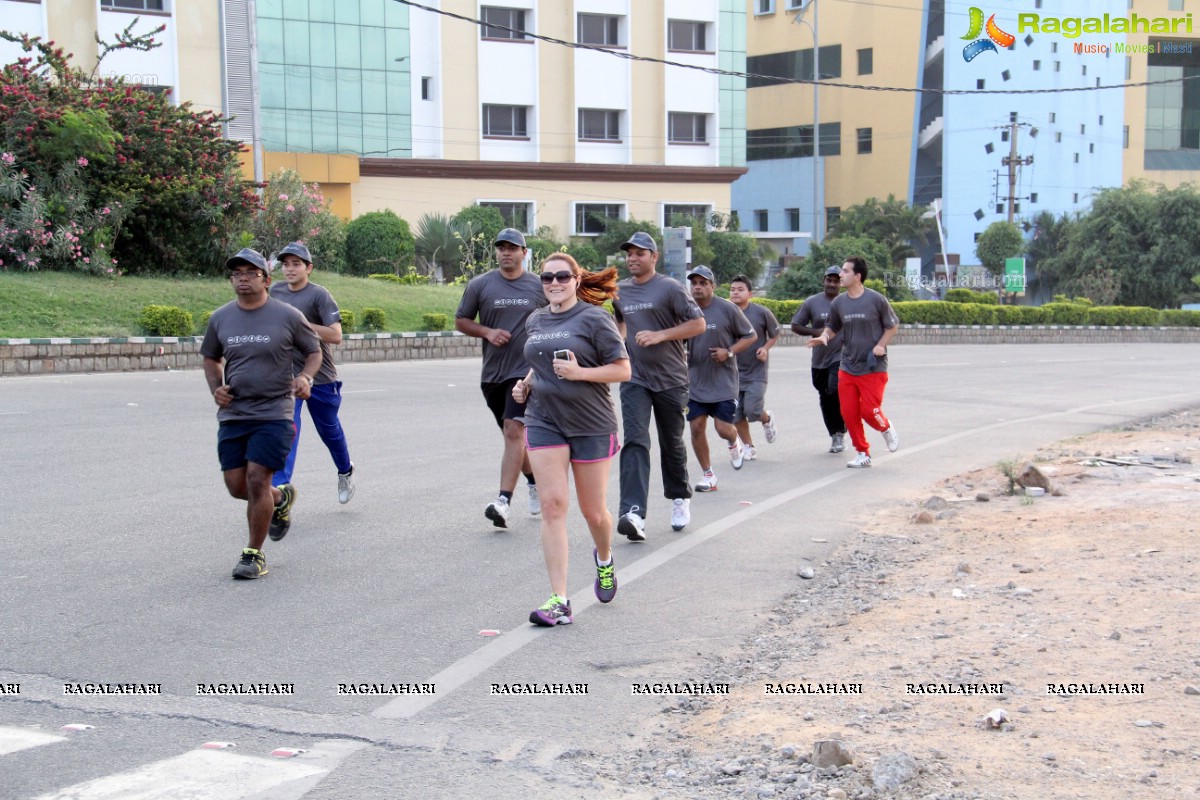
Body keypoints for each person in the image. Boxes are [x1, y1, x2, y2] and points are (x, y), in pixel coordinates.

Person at [511, 254, 630, 626]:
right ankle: (559, 600)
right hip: (545, 419)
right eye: (547, 277)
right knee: (552, 505)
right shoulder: (535, 319)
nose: (554, 282)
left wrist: (580, 373)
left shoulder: (594, 318)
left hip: (591, 423)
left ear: (577, 280)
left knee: (593, 511)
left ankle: (604, 557)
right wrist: (527, 383)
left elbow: (622, 369)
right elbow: (541, 360)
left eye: (562, 276)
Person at [200, 248, 321, 579]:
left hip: (275, 411)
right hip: (235, 413)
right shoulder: (221, 318)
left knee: (257, 480)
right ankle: (280, 499)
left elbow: (313, 351)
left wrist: (305, 377)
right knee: (236, 485)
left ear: (266, 280)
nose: (241, 278)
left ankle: (253, 554)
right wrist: (216, 388)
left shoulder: (286, 316)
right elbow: (211, 358)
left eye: (249, 273)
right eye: (236, 273)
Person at [611, 232, 706, 540]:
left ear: (654, 257)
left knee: (671, 442)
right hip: (634, 379)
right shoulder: (620, 291)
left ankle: (679, 497)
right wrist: (619, 344)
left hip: (671, 379)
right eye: (630, 253)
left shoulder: (671, 288)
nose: (633, 258)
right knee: (636, 441)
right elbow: (619, 321)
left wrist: (660, 335)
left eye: (640, 253)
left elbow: (698, 324)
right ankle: (633, 512)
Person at [455, 228, 548, 528]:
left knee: (513, 431)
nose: (506, 252)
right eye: (501, 248)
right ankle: (534, 481)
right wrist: (487, 332)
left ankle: (503, 501)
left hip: (525, 371)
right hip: (493, 374)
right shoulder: (480, 285)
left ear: (524, 252)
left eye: (513, 247)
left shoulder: (538, 286)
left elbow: (556, 316)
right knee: (514, 437)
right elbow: (462, 320)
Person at [268, 242, 356, 507]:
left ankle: (345, 470)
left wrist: (300, 325)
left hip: (321, 376)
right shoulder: (275, 292)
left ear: (309, 268)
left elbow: (335, 335)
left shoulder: (319, 295)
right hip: (287, 376)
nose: (290, 269)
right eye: (286, 264)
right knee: (287, 429)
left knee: (329, 431)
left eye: (296, 264)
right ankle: (280, 489)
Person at [807, 257, 900, 468]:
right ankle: (863, 453)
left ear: (857, 276)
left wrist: (881, 345)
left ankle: (885, 427)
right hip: (847, 365)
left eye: (846, 271)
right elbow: (832, 326)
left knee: (869, 411)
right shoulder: (839, 302)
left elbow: (892, 326)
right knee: (848, 412)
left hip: (872, 366)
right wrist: (823, 337)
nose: (841, 275)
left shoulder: (876, 300)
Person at [684, 266, 756, 492]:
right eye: (694, 283)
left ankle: (735, 442)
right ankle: (708, 475)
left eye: (703, 283)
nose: (697, 287)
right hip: (695, 380)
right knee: (696, 427)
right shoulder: (686, 310)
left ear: (712, 286)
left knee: (723, 429)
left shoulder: (727, 309)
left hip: (723, 381)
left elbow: (750, 335)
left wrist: (730, 352)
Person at [791, 266, 848, 454]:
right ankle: (834, 434)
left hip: (841, 357)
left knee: (834, 388)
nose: (832, 284)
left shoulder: (848, 302)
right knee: (825, 396)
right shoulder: (812, 302)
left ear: (841, 282)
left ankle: (840, 431)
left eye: (836, 281)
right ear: (824, 281)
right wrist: (815, 332)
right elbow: (796, 325)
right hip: (819, 360)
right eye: (828, 280)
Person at [728, 275, 779, 461]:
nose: (735, 292)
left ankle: (766, 419)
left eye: (740, 289)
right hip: (732, 373)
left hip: (756, 372)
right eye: (733, 289)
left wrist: (765, 348)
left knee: (753, 410)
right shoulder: (726, 312)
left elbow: (775, 333)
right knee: (736, 415)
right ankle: (749, 447)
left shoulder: (761, 312)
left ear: (749, 293)